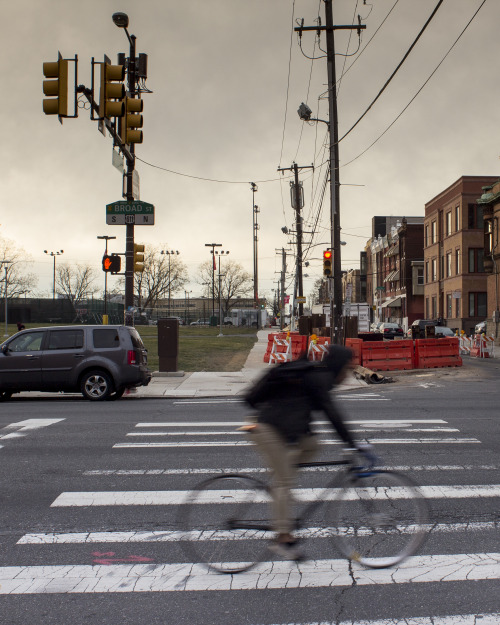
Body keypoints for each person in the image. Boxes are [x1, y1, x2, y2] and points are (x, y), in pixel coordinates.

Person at [244, 344, 372, 560]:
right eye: (346, 370)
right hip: (266, 429)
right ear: (338, 367)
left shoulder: (318, 378)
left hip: (286, 429)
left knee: (312, 445)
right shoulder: (320, 379)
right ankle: (283, 538)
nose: (347, 375)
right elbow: (332, 414)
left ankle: (281, 482)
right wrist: (353, 444)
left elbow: (304, 409)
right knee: (284, 482)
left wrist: (350, 443)